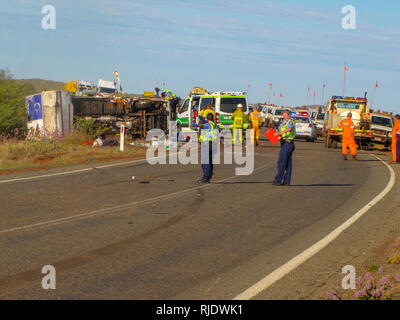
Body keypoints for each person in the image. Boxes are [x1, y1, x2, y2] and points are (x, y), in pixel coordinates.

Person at [272, 110, 296, 186]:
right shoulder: (283, 123)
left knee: (281, 162)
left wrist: (279, 133)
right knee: (288, 163)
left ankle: (278, 180)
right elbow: (281, 132)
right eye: (283, 115)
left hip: (288, 144)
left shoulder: (290, 122)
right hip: (284, 143)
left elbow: (289, 129)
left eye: (285, 115)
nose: (284, 117)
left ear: (289, 115)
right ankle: (286, 181)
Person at [198, 113, 219, 183]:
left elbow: (201, 125)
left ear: (207, 118)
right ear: (212, 118)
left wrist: (200, 122)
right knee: (210, 160)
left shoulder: (207, 125)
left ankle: (206, 177)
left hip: (207, 144)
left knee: (205, 161)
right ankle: (209, 175)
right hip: (213, 145)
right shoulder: (215, 125)